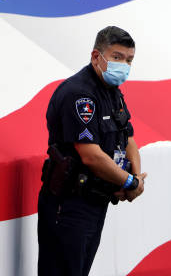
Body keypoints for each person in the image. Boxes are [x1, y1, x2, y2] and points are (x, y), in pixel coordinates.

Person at [38, 26, 146, 276]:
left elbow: (128, 139)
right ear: (96, 56)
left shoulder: (113, 93)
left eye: (129, 60)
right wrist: (130, 182)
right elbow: (91, 155)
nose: (124, 65)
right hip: (69, 206)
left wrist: (136, 179)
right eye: (117, 57)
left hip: (97, 202)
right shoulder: (79, 94)